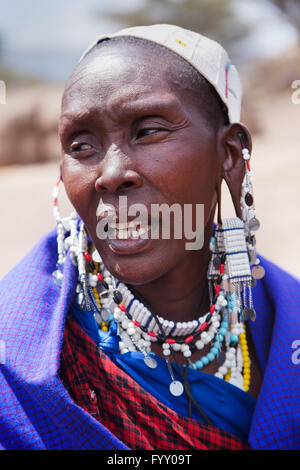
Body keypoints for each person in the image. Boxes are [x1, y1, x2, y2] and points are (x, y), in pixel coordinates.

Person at [0, 24, 299, 451]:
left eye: (148, 131)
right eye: (82, 145)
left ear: (230, 157)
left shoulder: (288, 324)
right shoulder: (15, 356)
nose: (111, 174)